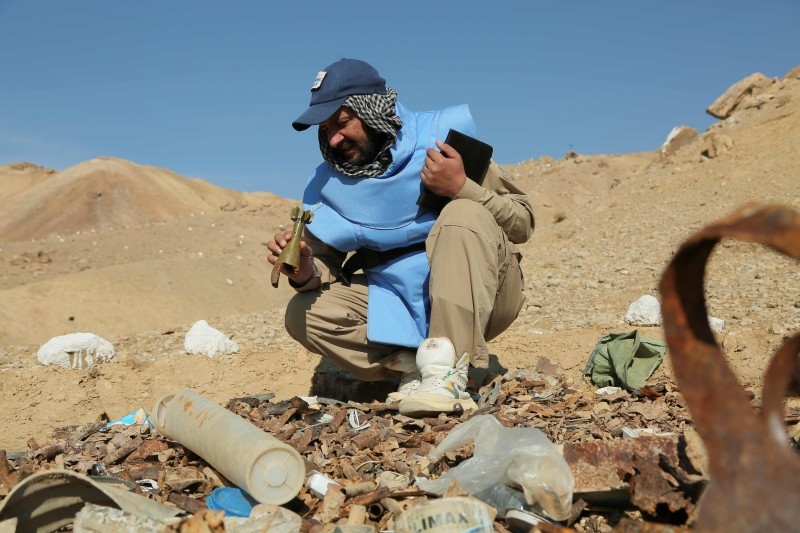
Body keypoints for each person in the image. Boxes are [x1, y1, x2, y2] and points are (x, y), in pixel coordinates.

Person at [266, 58, 534, 417]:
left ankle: (449, 373)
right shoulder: (327, 185)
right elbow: (323, 265)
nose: (333, 138)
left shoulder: (442, 142)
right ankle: (414, 366)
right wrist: (305, 272)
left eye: (342, 122)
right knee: (305, 313)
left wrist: (462, 187)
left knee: (462, 213)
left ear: (373, 110)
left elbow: (523, 223)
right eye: (325, 128)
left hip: (486, 292)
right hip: (396, 300)